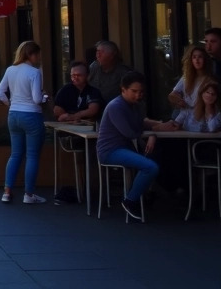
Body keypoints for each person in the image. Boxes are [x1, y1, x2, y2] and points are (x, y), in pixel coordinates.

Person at [96, 70, 180, 222]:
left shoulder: (135, 105)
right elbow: (130, 132)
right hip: (111, 151)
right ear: (123, 89)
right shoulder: (116, 106)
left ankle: (151, 193)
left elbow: (141, 122)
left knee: (159, 157)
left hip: (127, 148)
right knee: (151, 167)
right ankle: (130, 201)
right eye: (134, 91)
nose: (138, 95)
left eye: (141, 92)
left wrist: (159, 125)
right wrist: (153, 132)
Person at [0, 41, 47, 204]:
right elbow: (37, 99)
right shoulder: (34, 72)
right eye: (37, 54)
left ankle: (7, 191)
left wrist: (10, 103)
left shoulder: (11, 70)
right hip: (31, 115)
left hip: (14, 115)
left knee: (16, 154)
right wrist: (45, 97)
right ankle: (29, 194)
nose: (39, 57)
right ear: (31, 55)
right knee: (32, 155)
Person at [168, 45, 213, 115]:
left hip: (200, 117)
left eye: (200, 57)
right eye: (194, 57)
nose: (197, 60)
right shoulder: (186, 77)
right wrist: (178, 100)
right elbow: (172, 95)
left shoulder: (210, 80)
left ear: (205, 59)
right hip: (184, 115)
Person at [88, 40, 131, 104]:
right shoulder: (94, 67)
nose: (98, 55)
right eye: (97, 52)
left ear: (112, 55)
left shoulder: (123, 72)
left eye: (101, 52)